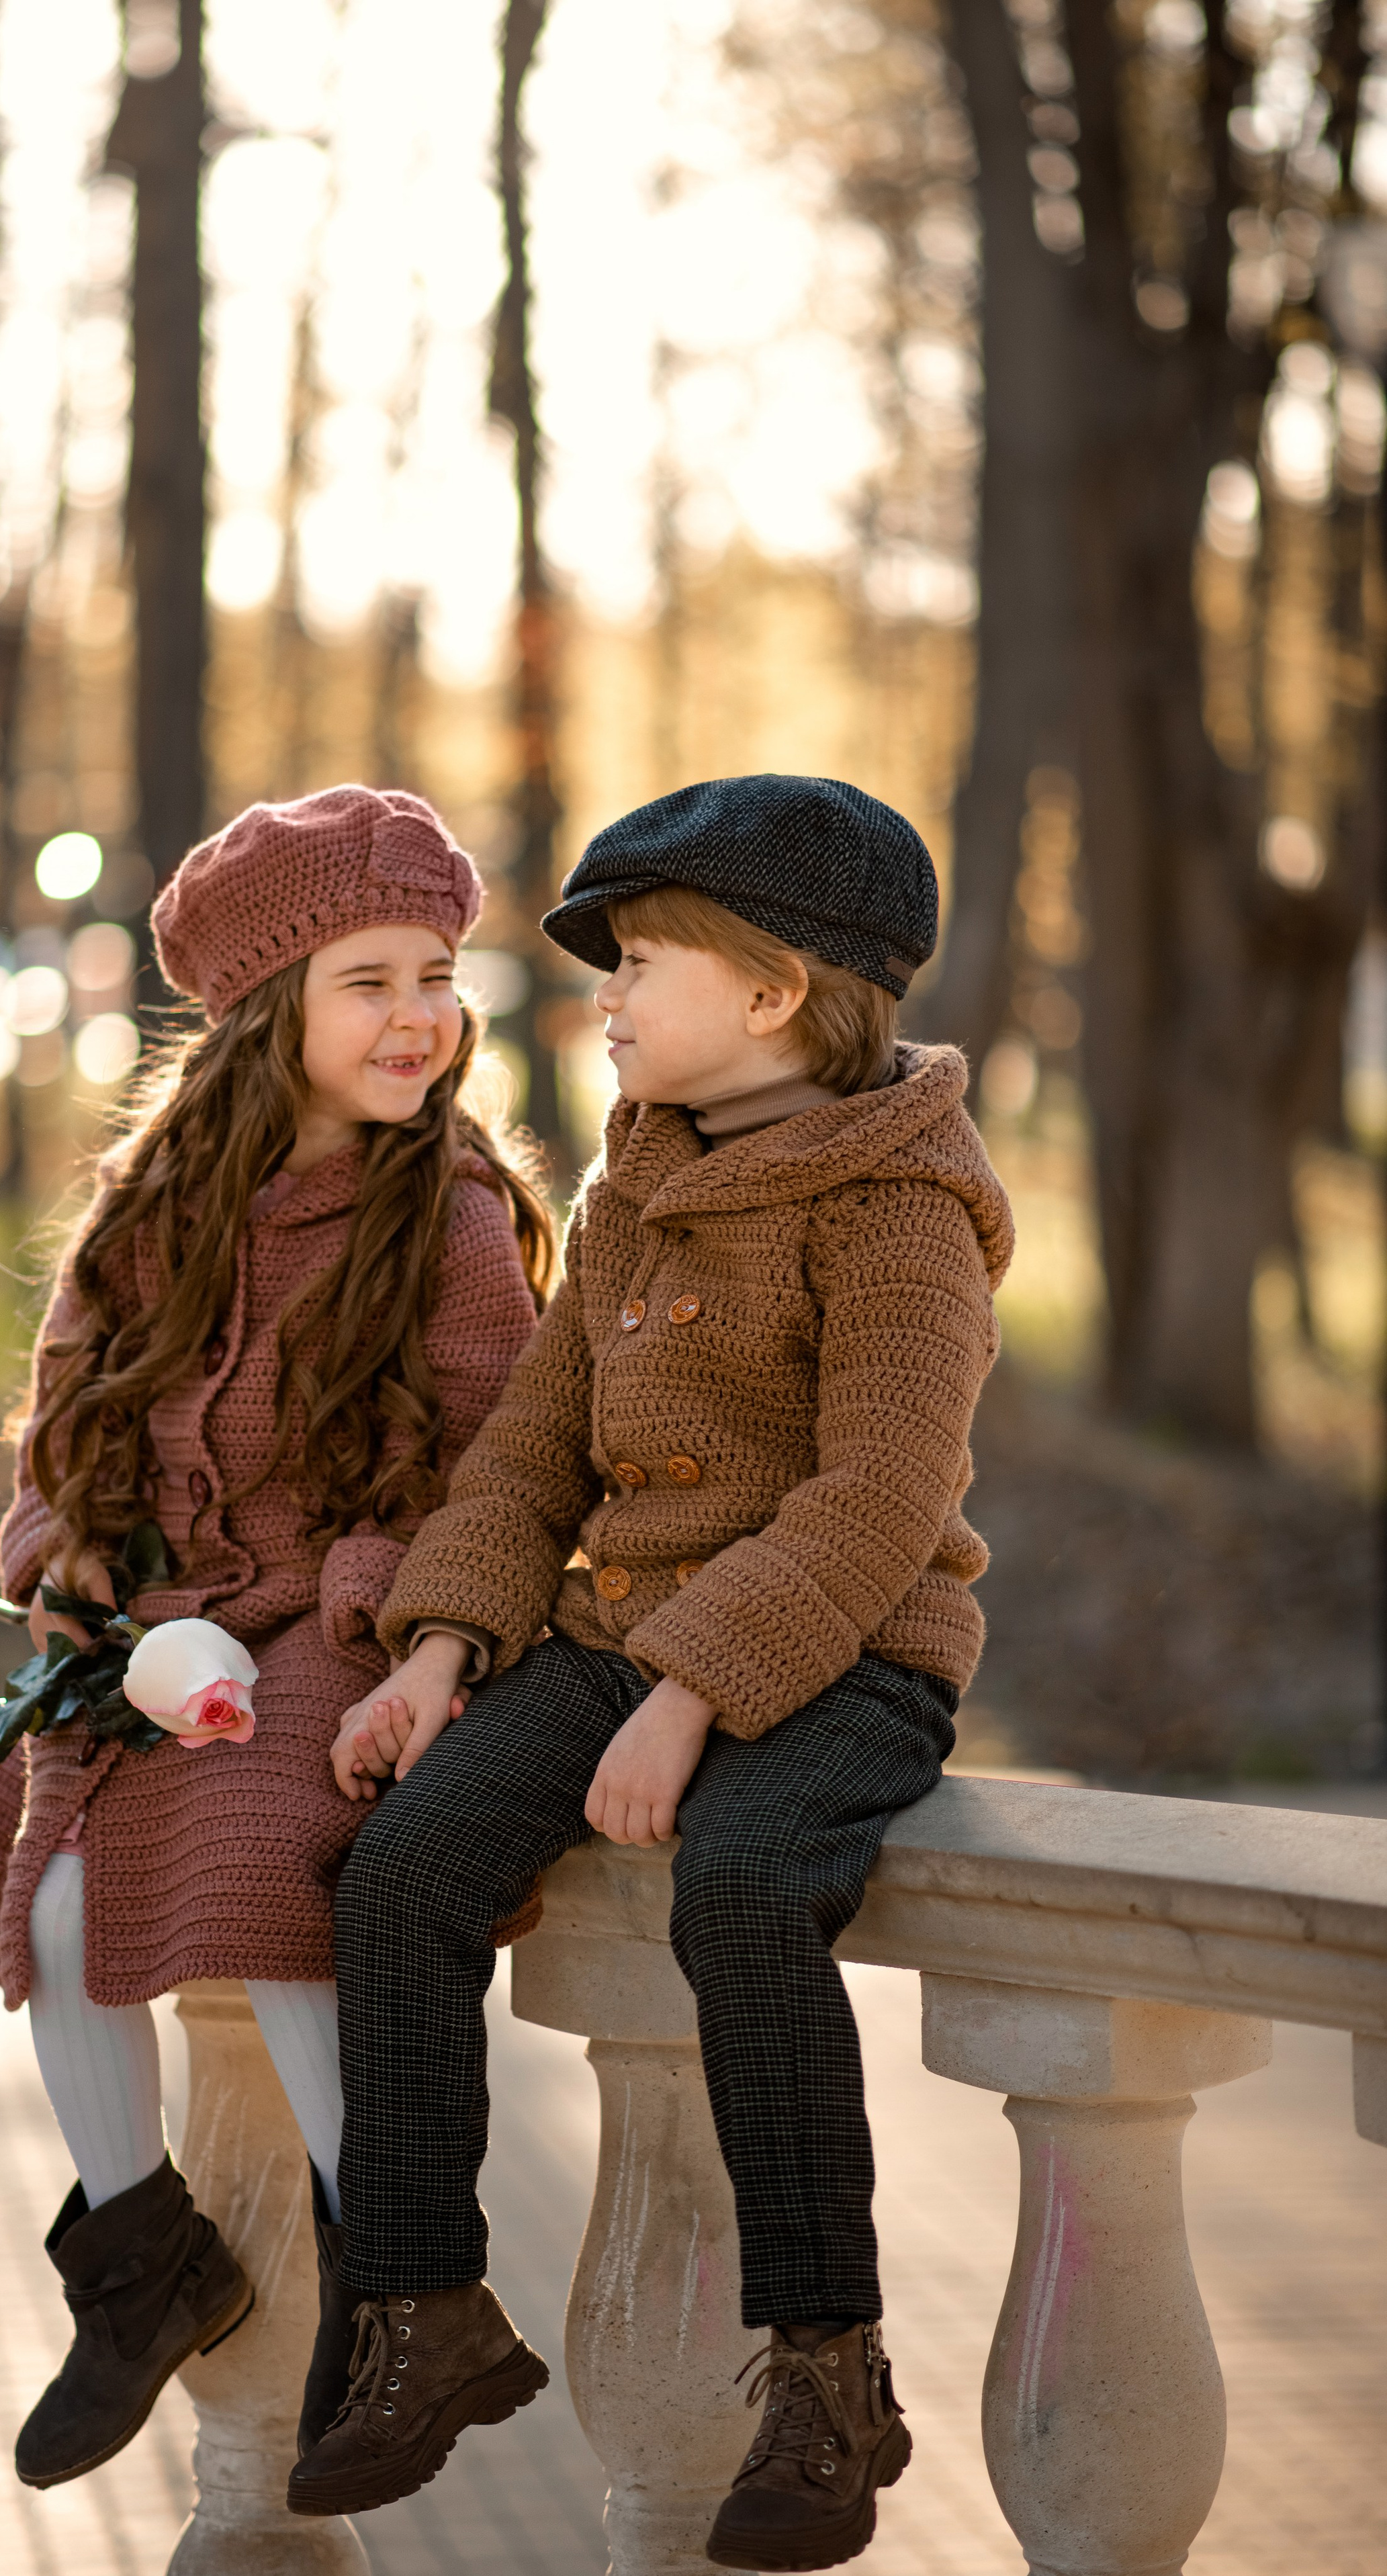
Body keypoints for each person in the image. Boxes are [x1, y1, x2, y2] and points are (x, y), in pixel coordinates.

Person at [292, 775, 1014, 2573]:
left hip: (840, 1652)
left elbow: (878, 1497)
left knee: (750, 1887)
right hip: (618, 1643)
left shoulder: (901, 1203)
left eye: (638, 964)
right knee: (402, 1872)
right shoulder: (636, 1181)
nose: (601, 999)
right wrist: (443, 1648)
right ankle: (422, 2307)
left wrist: (697, 1690)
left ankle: (830, 2372)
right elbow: (537, 1450)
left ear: (773, 991)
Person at [0, 784, 553, 2493]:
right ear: (265, 1007)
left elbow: (497, 1466)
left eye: (440, 974)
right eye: (369, 980)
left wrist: (362, 1602)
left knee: (278, 1856)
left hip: (355, 1615)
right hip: (163, 1625)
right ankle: (142, 2258)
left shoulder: (444, 1216)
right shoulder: (152, 1213)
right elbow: (62, 1442)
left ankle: (395, 2279)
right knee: (46, 1880)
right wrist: (72, 1570)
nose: (421, 1017)